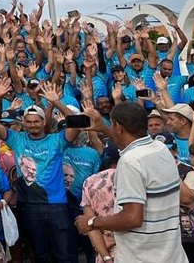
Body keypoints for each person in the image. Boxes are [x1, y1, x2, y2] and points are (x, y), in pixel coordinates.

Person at [74, 101, 184, 263]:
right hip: (172, 255)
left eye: (111, 125)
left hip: (142, 257)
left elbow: (132, 218)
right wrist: (104, 129)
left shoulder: (130, 162)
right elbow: (131, 145)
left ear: (118, 127)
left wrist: (91, 222)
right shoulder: (160, 149)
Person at [0, 78, 82, 263]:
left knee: (65, 254)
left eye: (36, 121)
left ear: (43, 121)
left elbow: (76, 124)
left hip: (56, 205)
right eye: (28, 122)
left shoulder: (56, 140)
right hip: (29, 205)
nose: (32, 125)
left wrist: (56, 102)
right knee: (40, 255)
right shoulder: (16, 139)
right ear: (23, 123)